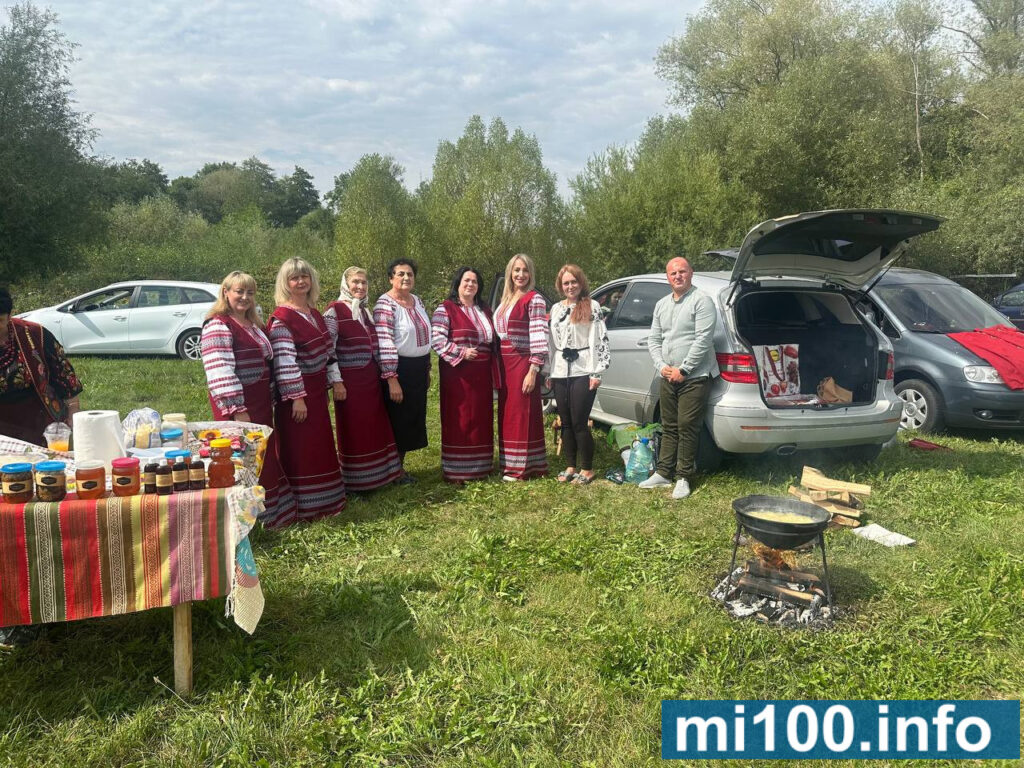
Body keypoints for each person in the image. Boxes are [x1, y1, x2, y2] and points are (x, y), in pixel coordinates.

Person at [200, 271, 298, 528]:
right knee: (243, 457)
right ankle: (246, 521)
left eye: (250, 293)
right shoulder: (218, 325)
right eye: (239, 291)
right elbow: (220, 370)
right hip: (239, 404)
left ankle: (270, 515)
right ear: (226, 293)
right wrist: (237, 408)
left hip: (260, 401)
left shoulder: (254, 325)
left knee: (262, 456)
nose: (245, 297)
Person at [266, 258, 347, 522]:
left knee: (319, 444)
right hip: (296, 395)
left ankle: (327, 500)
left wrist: (334, 381)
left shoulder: (313, 313)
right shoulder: (282, 319)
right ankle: (304, 505)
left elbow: (328, 351)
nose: (301, 281)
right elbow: (285, 361)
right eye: (294, 278)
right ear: (285, 283)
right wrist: (297, 398)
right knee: (300, 447)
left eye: (305, 276)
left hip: (317, 389)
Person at [639, 257, 719, 499]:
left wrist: (683, 370)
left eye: (682, 271)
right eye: (673, 273)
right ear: (667, 277)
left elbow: (703, 339)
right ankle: (664, 472)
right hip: (668, 374)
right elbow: (654, 339)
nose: (677, 276)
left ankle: (683, 477)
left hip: (695, 376)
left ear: (691, 273)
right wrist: (662, 366)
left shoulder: (702, 300)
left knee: (687, 425)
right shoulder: (661, 304)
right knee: (669, 425)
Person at [324, 267, 403, 491]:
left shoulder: (365, 312)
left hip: (370, 378)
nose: (360, 286)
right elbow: (328, 348)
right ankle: (357, 481)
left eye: (364, 282)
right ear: (345, 284)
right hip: (349, 382)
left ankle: (379, 476)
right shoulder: (334, 311)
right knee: (355, 428)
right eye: (355, 282)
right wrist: (336, 381)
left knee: (373, 426)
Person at [431, 267, 499, 483]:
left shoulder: (485, 310)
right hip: (458, 374)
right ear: (458, 284)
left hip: (482, 374)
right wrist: (461, 352)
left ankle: (482, 466)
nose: (470, 284)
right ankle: (457, 470)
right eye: (466, 281)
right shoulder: (446, 309)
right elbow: (437, 339)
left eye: (474, 281)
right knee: (459, 417)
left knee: (481, 417)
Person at [547, 264, 610, 485]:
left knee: (579, 421)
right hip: (560, 370)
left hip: (584, 369)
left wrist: (597, 372)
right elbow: (551, 342)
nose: (570, 286)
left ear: (580, 282)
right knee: (565, 421)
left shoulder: (591, 306)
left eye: (574, 282)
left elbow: (600, 338)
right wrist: (548, 370)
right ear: (560, 285)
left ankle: (587, 468)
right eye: (566, 283)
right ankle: (570, 465)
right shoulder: (556, 308)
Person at [373, 258, 432, 482]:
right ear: (391, 278)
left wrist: (427, 369)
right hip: (399, 369)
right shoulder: (385, 304)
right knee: (398, 419)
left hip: (418, 368)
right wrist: (391, 378)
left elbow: (424, 337)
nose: (406, 278)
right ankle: (394, 471)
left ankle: (400, 468)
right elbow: (384, 342)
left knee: (411, 419)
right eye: (401, 274)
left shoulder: (417, 301)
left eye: (410, 274)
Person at [0, 287, 82, 445]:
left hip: (37, 420)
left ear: (10, 316)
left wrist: (73, 409)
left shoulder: (34, 333)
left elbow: (64, 374)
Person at [494, 253, 549, 481]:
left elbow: (539, 335)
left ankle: (521, 468)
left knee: (522, 413)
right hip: (505, 362)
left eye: (525, 270)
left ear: (531, 273)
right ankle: (510, 463)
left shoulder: (534, 299)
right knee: (508, 412)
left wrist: (533, 370)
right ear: (510, 272)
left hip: (522, 362)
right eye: (516, 270)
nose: (521, 274)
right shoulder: (507, 299)